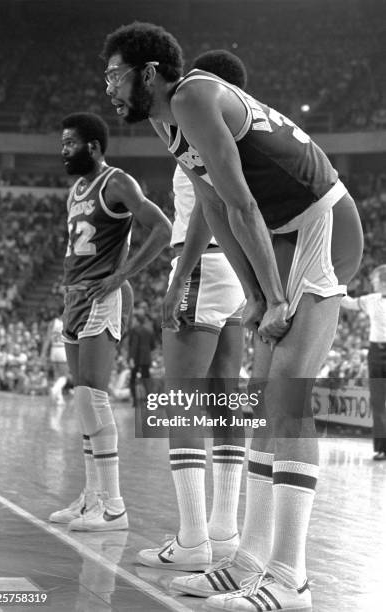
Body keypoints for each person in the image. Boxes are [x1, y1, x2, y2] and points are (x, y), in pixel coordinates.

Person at [101, 24, 363, 611]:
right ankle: (246, 558)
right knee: (260, 397)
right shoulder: (165, 118)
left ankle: (289, 578)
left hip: (322, 224)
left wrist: (272, 296)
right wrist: (255, 293)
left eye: (115, 73)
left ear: (149, 73)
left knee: (281, 397)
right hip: (281, 239)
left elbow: (242, 202)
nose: (109, 86)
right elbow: (214, 206)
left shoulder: (193, 95)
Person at [136, 50, 247, 572]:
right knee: (226, 396)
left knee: (179, 398)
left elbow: (208, 202)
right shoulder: (242, 131)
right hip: (237, 270)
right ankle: (224, 532)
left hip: (201, 261)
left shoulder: (197, 125)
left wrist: (178, 276)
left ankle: (192, 539)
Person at [48, 112, 171, 532]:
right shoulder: (74, 191)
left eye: (69, 143)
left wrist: (122, 276)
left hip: (104, 296)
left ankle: (115, 506)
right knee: (84, 404)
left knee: (92, 397)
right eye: (62, 143)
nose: (63, 150)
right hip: (75, 298)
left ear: (93, 147)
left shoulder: (117, 182)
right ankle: (91, 499)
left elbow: (161, 227)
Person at [341, 264, 386, 460]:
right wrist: (334, 288)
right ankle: (382, 448)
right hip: (376, 353)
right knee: (378, 402)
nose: (372, 283)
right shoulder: (370, 300)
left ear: (383, 281)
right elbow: (349, 303)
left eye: (375, 280)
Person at [128, 312, 155, 407]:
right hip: (146, 358)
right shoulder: (149, 331)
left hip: (136, 358)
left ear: (137, 321)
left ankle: (135, 401)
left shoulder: (134, 331)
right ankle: (150, 399)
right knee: (146, 379)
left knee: (133, 379)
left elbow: (134, 346)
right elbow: (153, 346)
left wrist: (131, 358)